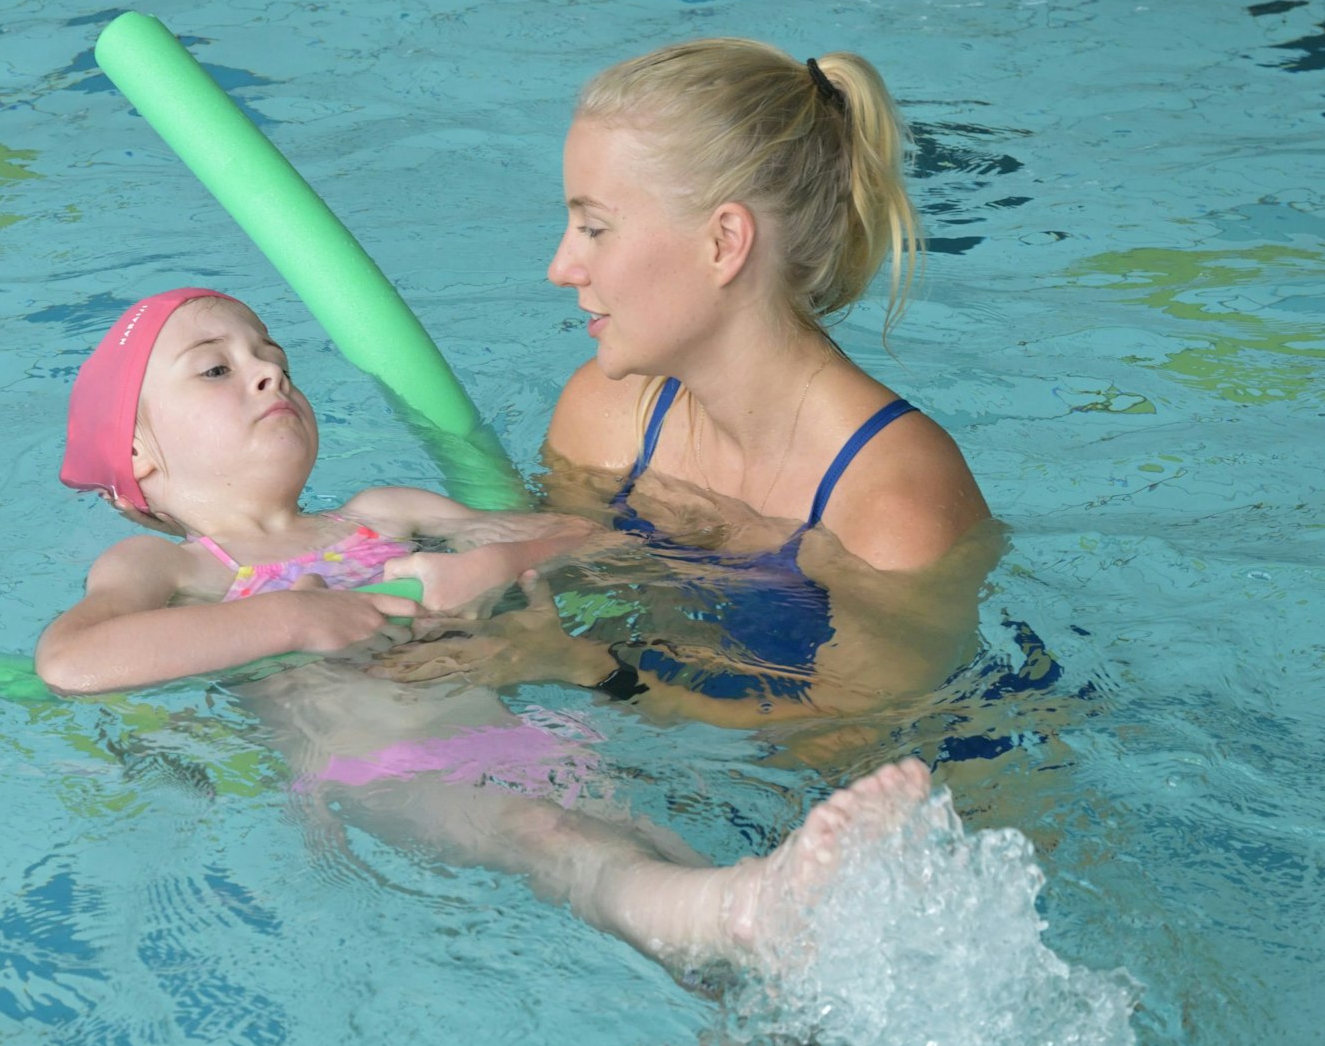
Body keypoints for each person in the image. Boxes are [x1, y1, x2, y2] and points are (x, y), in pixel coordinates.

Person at [34, 286, 936, 973]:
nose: (269, 370)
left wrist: (490, 562)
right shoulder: (174, 570)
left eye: (272, 355)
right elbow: (73, 660)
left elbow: (589, 540)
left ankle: (764, 1018)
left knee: (643, 857)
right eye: (216, 368)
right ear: (139, 455)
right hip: (384, 773)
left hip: (527, 735)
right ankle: (747, 910)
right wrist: (289, 615)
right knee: (553, 841)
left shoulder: (383, 515)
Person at [378, 39, 1001, 728]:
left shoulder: (894, 503)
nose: (561, 267)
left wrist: (589, 668)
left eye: (594, 227)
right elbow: (567, 595)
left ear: (724, 243)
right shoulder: (607, 418)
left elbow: (842, 741)